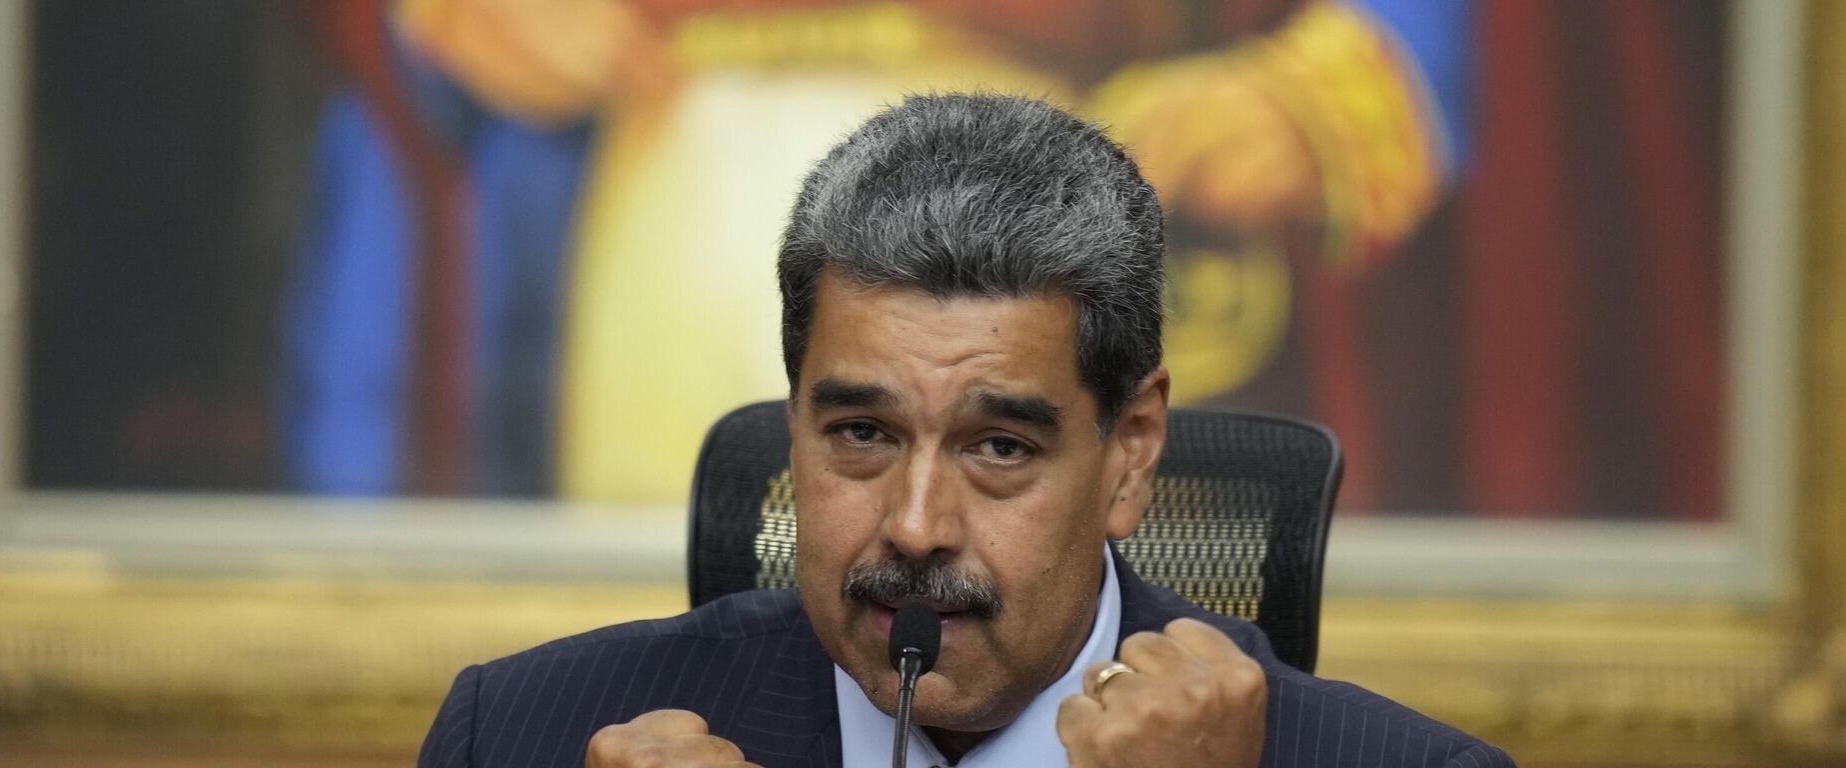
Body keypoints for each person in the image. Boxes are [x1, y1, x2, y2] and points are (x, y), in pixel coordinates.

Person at [418, 93, 1514, 768]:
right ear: (793, 419)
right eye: (860, 433)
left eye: (1000, 448)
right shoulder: (519, 736)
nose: (914, 527)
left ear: (1129, 452)